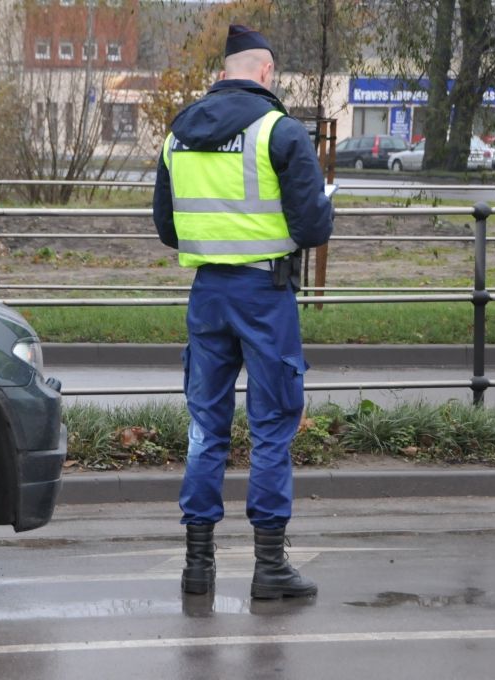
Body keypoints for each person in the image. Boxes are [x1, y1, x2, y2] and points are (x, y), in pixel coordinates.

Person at [152, 24, 333, 599]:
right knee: (272, 426)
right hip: (264, 294)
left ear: (223, 71)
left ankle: (197, 567)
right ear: (266, 71)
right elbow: (313, 227)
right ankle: (269, 568)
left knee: (206, 428)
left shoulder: (178, 133)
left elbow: (167, 227)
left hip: (207, 293)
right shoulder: (279, 131)